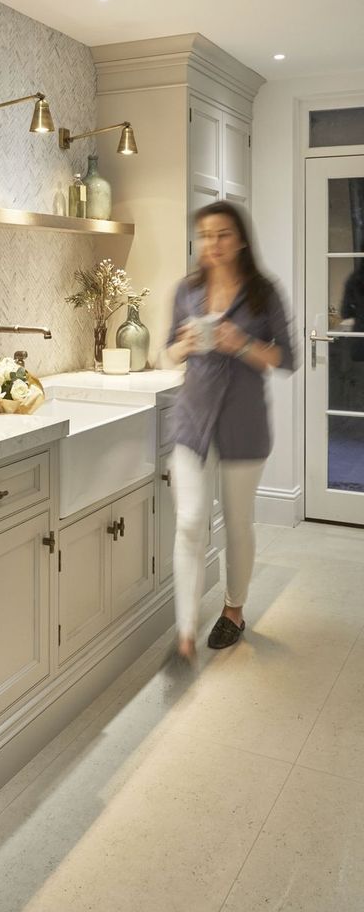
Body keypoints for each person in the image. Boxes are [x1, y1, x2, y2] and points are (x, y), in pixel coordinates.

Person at [165, 201, 296, 661]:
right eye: (205, 235)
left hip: (244, 424)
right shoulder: (186, 290)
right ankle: (184, 629)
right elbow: (170, 353)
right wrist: (183, 344)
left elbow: (287, 359)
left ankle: (233, 610)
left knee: (237, 522)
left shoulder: (264, 292)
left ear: (240, 239)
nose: (212, 244)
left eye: (222, 234)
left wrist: (239, 343)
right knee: (188, 522)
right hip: (192, 422)